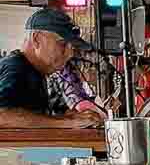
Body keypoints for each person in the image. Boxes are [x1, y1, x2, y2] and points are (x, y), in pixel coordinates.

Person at [0, 8, 106, 140]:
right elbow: (3, 116)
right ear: (37, 39)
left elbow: (29, 120)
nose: (70, 53)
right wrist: (65, 123)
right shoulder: (16, 67)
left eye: (72, 47)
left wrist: (64, 118)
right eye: (62, 44)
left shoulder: (34, 71)